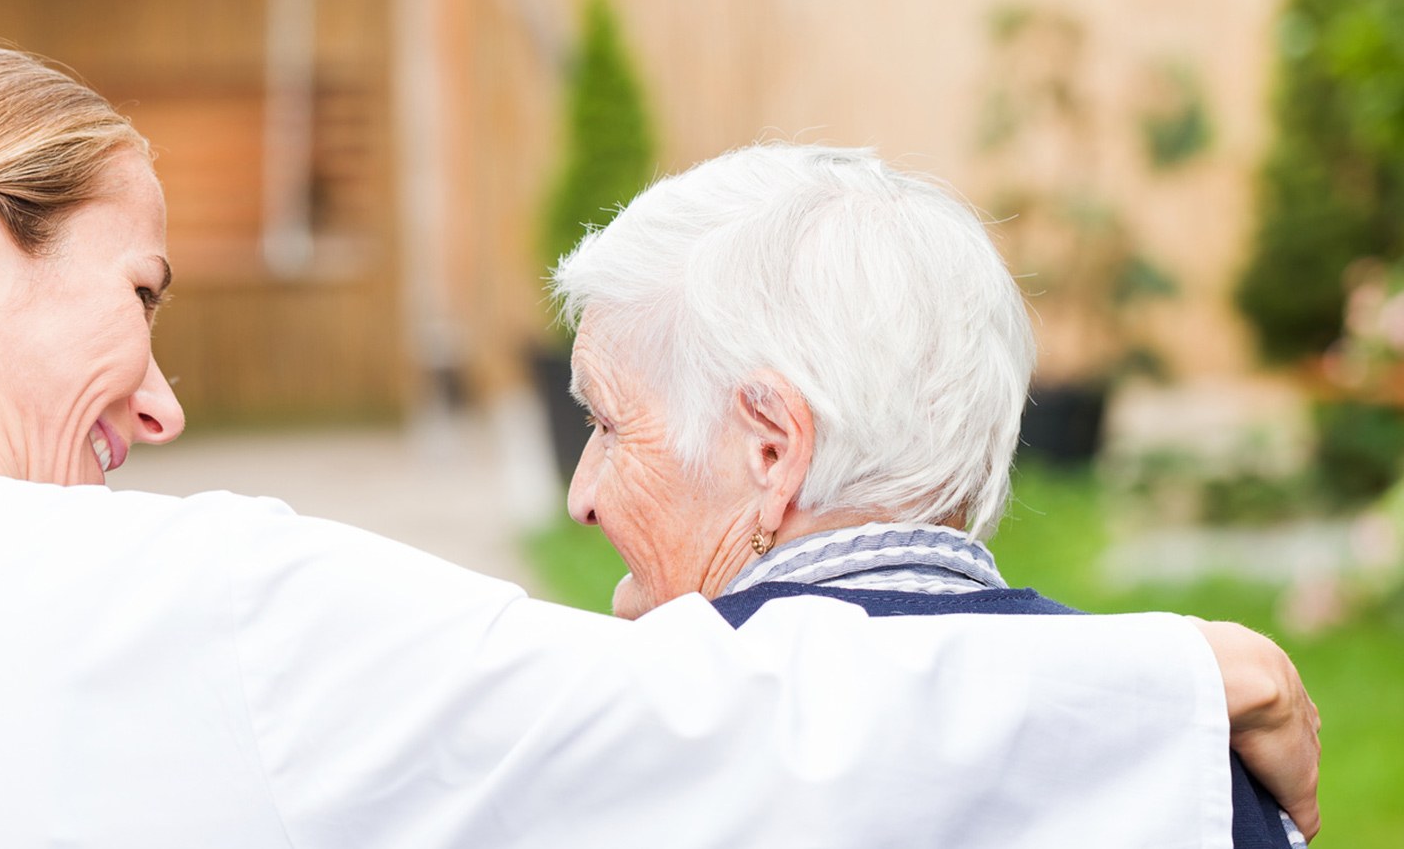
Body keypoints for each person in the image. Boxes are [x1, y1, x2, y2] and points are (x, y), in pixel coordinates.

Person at [0, 33, 1316, 849]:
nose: (165, 396)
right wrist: (1179, 680)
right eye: (142, 296)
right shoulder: (140, 606)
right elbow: (706, 740)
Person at [554, 142, 1320, 846]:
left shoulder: (631, 764)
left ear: (772, 447)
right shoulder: (1206, 760)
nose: (581, 496)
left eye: (608, 424)